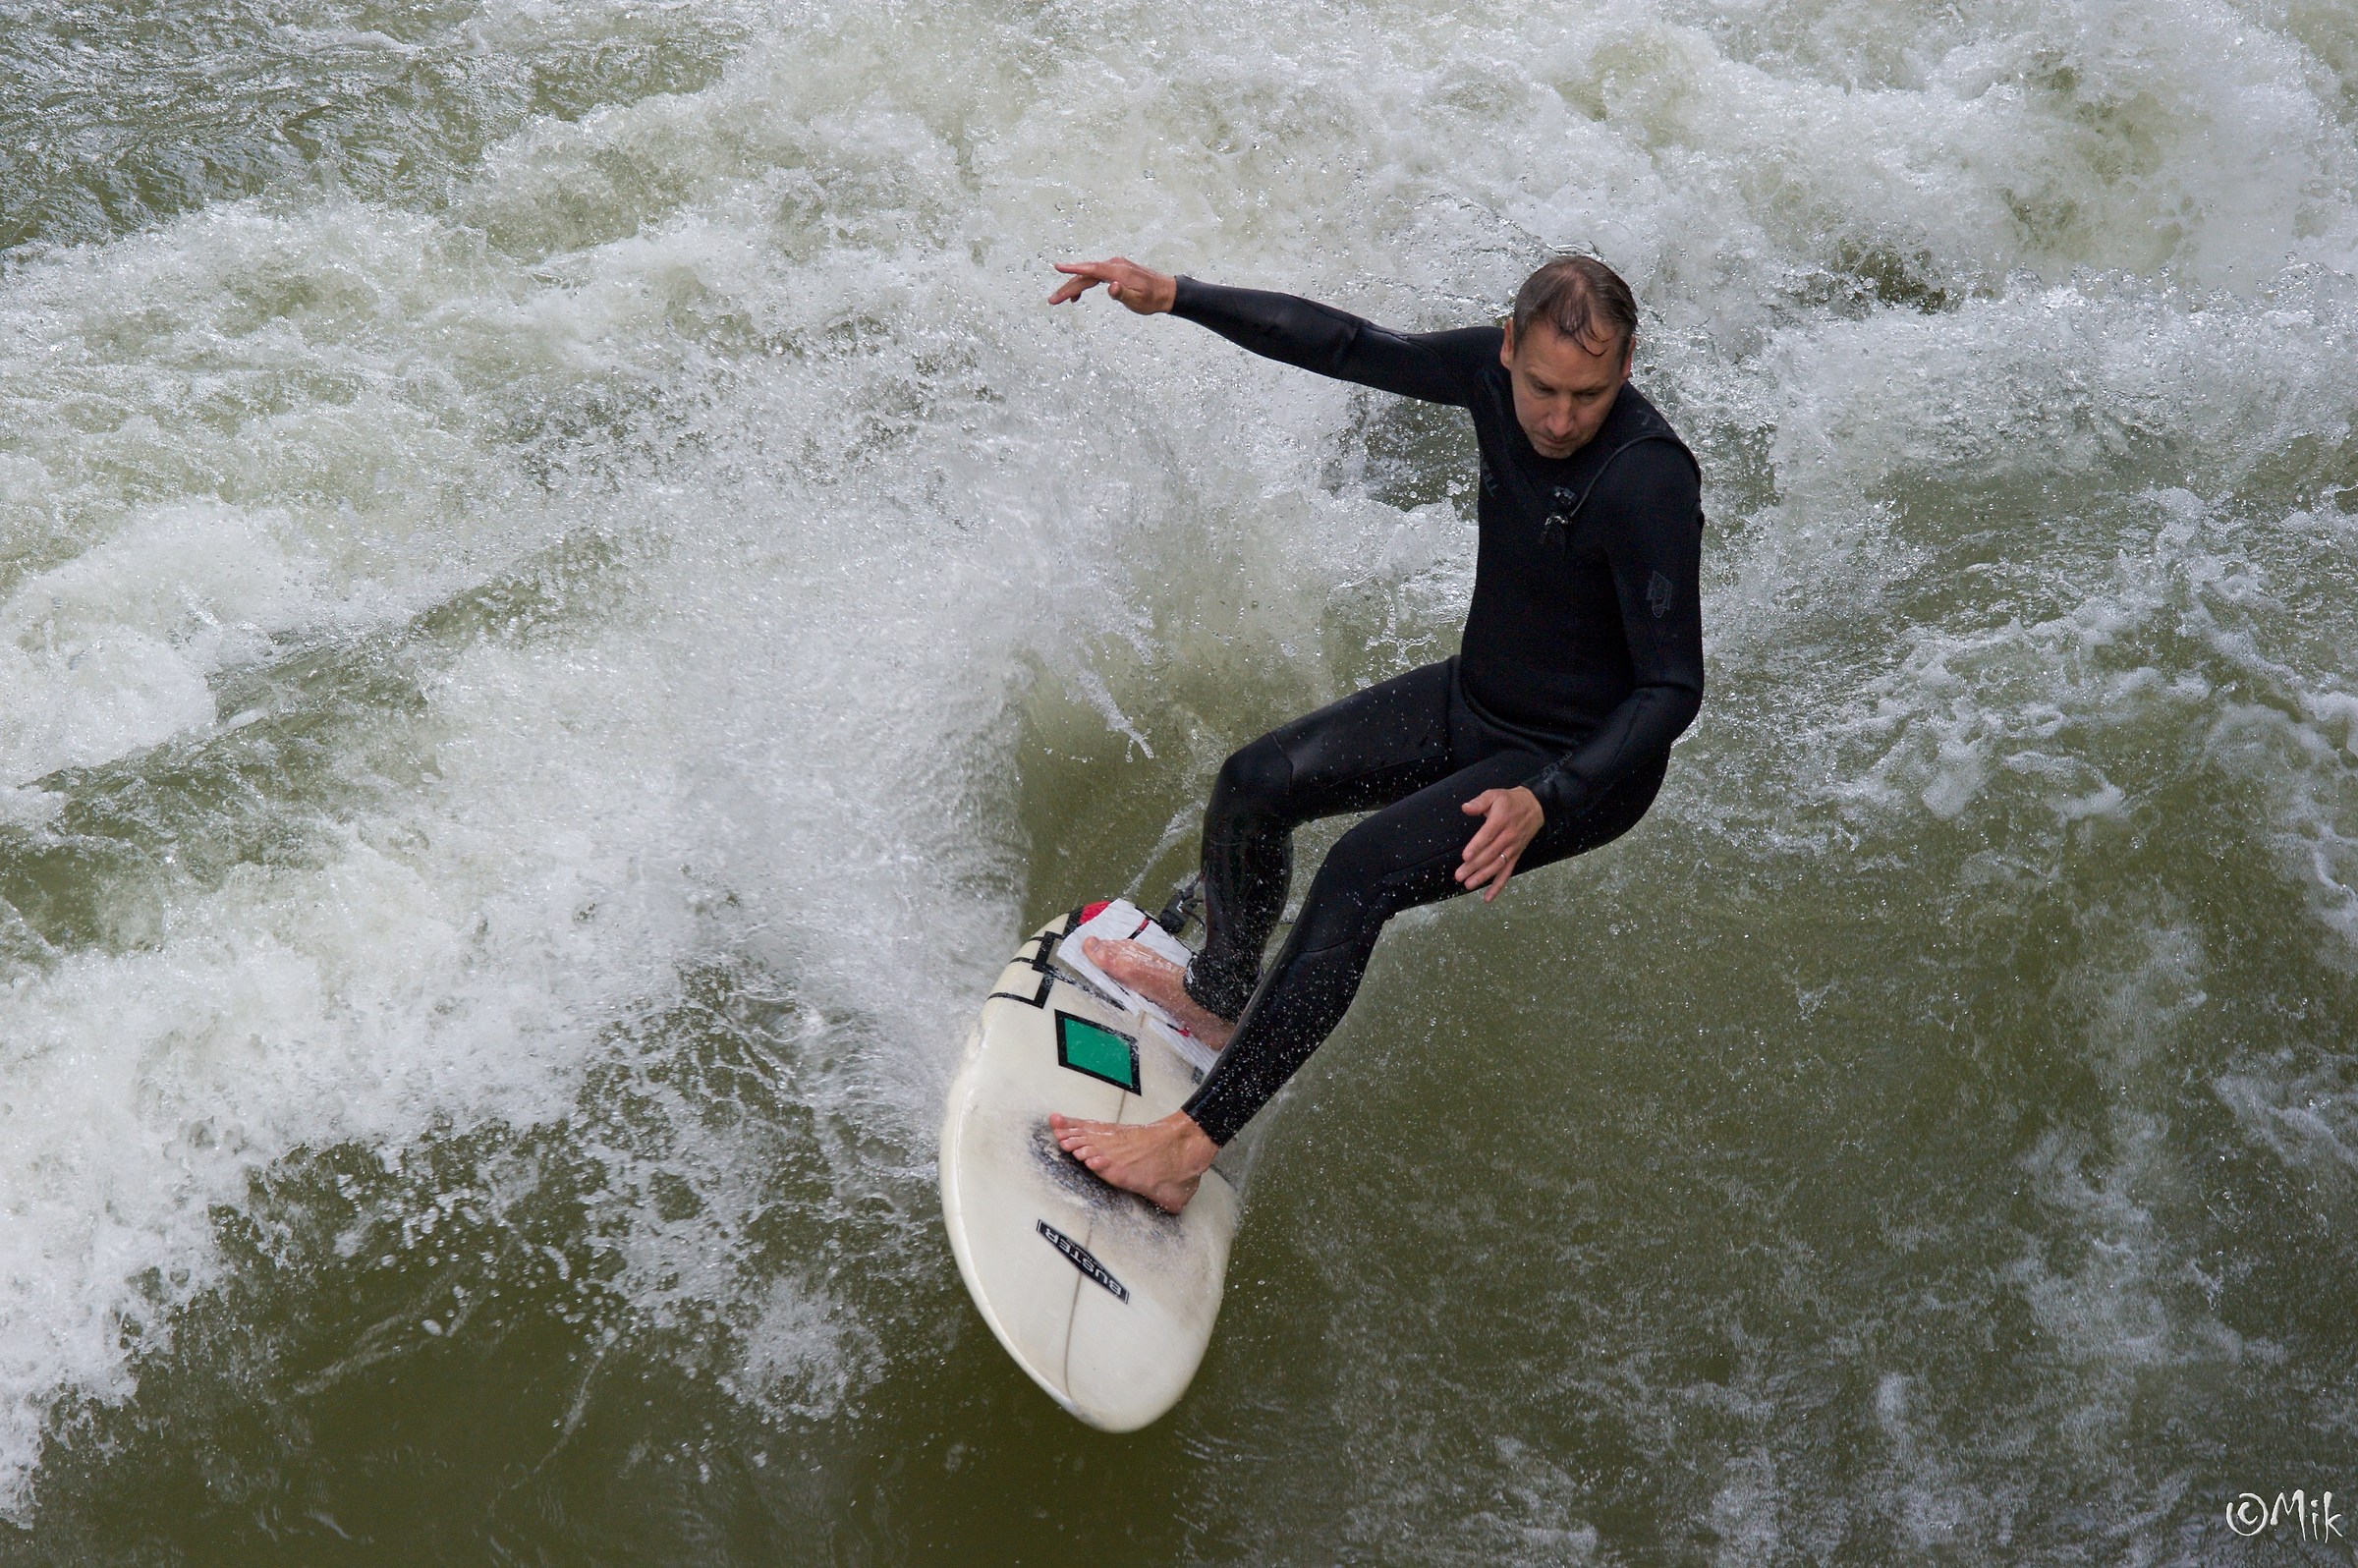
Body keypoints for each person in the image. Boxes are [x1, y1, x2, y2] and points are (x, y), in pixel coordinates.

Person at [1043, 253, 1705, 1213]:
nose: (1560, 420)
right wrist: (1181, 295)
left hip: (1574, 765)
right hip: (1479, 700)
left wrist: (1544, 798)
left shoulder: (1648, 481)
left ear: (1630, 365)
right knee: (1256, 781)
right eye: (1543, 389)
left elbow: (1672, 688)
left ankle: (1186, 1147)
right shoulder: (1488, 374)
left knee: (1359, 874)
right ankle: (1220, 994)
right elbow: (1350, 346)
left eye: (1589, 396)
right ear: (1509, 347)